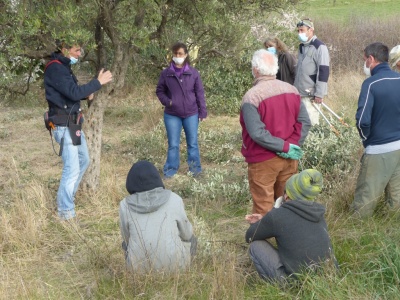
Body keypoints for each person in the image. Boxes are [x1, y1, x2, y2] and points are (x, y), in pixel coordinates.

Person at [44, 41, 112, 220]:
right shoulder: (55, 68)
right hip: (63, 125)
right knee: (72, 168)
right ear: (64, 49)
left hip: (72, 124)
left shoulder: (64, 68)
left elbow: (73, 92)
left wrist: (87, 92)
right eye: (76, 50)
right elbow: (73, 93)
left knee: (84, 160)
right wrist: (97, 82)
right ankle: (65, 213)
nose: (79, 53)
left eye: (81, 50)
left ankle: (66, 199)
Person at [240, 49, 311, 216]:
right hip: (289, 159)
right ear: (275, 68)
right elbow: (305, 122)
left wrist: (283, 147)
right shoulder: (292, 90)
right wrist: (291, 146)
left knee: (263, 208)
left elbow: (257, 133)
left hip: (263, 160)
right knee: (289, 203)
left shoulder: (251, 97)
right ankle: (288, 240)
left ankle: (262, 241)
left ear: (255, 69)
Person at [245, 169, 337, 282]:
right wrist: (265, 221)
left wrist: (273, 213)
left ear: (287, 197)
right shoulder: (318, 213)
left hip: (297, 284)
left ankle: (280, 287)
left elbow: (250, 236)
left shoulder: (278, 215)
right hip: (328, 277)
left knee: (256, 246)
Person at [119, 160, 196, 273]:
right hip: (175, 267)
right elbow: (187, 234)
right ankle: (187, 272)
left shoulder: (124, 205)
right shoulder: (175, 199)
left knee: (125, 245)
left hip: (138, 270)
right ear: (156, 178)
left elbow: (127, 238)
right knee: (193, 240)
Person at [351, 42, 400, 218]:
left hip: (379, 147)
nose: (364, 65)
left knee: (365, 200)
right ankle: (390, 229)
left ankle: (356, 237)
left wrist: (367, 142)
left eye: (365, 60)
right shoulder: (398, 79)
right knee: (395, 198)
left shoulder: (370, 83)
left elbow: (362, 120)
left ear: (371, 59)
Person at [156, 42, 207, 178]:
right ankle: (170, 170)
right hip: (172, 114)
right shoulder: (166, 73)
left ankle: (195, 170)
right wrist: (169, 102)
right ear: (172, 55)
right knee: (173, 144)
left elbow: (199, 93)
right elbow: (160, 91)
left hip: (191, 113)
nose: (177, 56)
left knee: (193, 143)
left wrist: (203, 111)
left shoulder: (193, 73)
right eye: (175, 53)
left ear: (185, 55)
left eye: (180, 54)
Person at [294, 18, 330, 126]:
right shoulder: (301, 47)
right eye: (298, 31)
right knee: (299, 125)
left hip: (312, 95)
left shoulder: (320, 47)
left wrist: (319, 94)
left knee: (311, 124)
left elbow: (324, 71)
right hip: (299, 94)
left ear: (311, 30)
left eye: (302, 30)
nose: (300, 33)